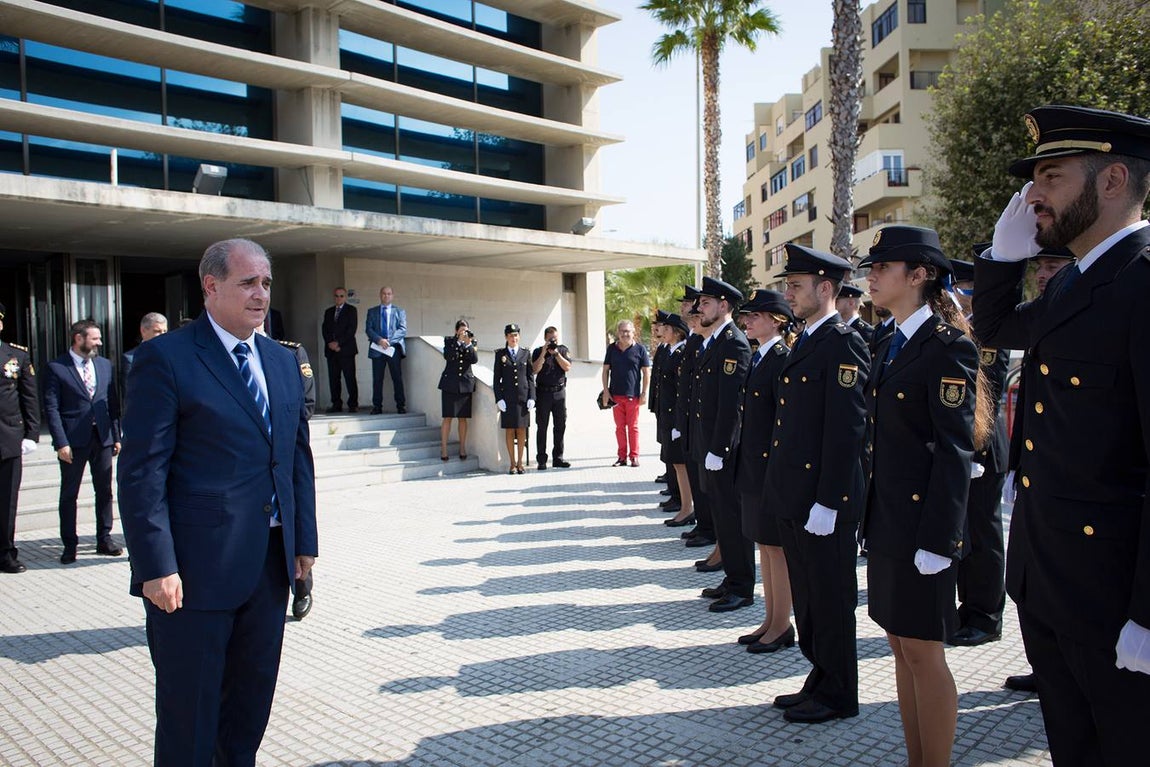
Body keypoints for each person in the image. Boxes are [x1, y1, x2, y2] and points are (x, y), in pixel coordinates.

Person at [973, 105, 1150, 766]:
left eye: (1051, 175)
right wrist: (1002, 258)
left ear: (1111, 182)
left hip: (1114, 598)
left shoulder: (1140, 283)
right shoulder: (1078, 278)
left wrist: (1148, 614)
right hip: (1050, 583)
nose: (1033, 195)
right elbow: (996, 331)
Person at [118, 237, 317, 766]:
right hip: (192, 578)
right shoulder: (166, 359)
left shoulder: (281, 360)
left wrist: (303, 544)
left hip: (269, 569)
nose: (260, 294)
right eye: (247, 283)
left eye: (266, 283)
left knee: (247, 718)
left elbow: (296, 459)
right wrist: (155, 567)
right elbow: (141, 473)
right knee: (190, 724)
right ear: (210, 287)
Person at [859, 226, 988, 767]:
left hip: (923, 531)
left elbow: (955, 451)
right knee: (899, 644)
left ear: (919, 275)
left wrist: (941, 540)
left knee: (924, 653)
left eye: (884, 266)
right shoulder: (889, 342)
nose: (872, 274)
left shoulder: (947, 346)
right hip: (888, 523)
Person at [765, 243, 870, 724]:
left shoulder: (843, 342)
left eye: (796, 286)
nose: (789, 293)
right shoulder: (806, 338)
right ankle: (819, 678)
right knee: (809, 598)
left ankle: (839, 694)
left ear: (825, 288)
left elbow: (847, 430)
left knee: (829, 600)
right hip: (797, 498)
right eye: (788, 286)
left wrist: (830, 501)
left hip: (822, 502)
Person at [1001, 245, 1072, 695]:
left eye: (1054, 265)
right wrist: (1015, 465)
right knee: (1030, 587)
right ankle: (1045, 665)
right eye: (1040, 265)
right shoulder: (1043, 318)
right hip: (1035, 475)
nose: (1043, 273)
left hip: (1077, 490)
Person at [947, 256, 1011, 649]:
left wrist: (974, 450)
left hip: (985, 447)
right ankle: (966, 607)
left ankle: (987, 616)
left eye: (967, 288)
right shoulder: (963, 328)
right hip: (965, 447)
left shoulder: (990, 330)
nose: (960, 295)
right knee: (966, 535)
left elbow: (990, 391)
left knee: (984, 536)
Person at [735, 289, 796, 653]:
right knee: (765, 545)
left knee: (777, 550)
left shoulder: (781, 359)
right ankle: (770, 618)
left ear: (775, 320)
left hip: (770, 469)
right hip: (754, 467)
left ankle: (782, 623)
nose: (748, 321)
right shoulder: (761, 357)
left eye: (755, 316)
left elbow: (781, 422)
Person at [688, 277, 753, 613]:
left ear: (725, 306)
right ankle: (732, 578)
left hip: (723, 451)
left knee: (732, 518)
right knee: (723, 519)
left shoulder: (733, 344)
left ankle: (742, 587)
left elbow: (731, 405)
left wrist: (719, 449)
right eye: (701, 304)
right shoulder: (713, 342)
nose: (700, 308)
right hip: (709, 446)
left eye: (707, 303)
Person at [44, 319, 121, 564]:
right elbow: (52, 408)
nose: (99, 342)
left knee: (105, 492)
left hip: (103, 439)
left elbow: (113, 403)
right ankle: (69, 545)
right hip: (73, 442)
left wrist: (116, 436)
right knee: (69, 494)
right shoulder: (57, 367)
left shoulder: (105, 365)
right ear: (79, 339)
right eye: (95, 338)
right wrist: (60, 442)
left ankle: (104, 539)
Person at [672, 288, 719, 561]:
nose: (695, 311)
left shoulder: (728, 344)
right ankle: (705, 527)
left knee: (719, 500)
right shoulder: (702, 342)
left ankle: (712, 535)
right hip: (695, 424)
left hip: (711, 434)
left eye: (702, 304)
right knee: (702, 485)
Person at [0, 302, 39, 574]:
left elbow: (29, 396)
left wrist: (31, 434)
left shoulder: (16, 355)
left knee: (6, 501)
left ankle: (5, 554)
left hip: (7, 438)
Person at [655, 313, 695, 528]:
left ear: (677, 332)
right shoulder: (670, 351)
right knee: (676, 465)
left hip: (675, 417)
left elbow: (681, 388)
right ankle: (685, 507)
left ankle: (688, 507)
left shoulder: (681, 352)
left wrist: (679, 424)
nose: (663, 331)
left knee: (681, 464)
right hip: (668, 415)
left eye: (667, 328)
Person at [601, 320, 650, 467]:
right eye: (622, 331)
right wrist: (606, 391)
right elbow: (605, 371)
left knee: (633, 427)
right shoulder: (611, 349)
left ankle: (634, 457)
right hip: (615, 396)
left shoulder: (640, 350)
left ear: (633, 332)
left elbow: (646, 373)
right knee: (619, 428)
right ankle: (621, 457)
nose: (625, 334)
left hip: (633, 396)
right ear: (618, 332)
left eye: (628, 331)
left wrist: (644, 393)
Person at [493, 323, 534, 474]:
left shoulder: (525, 353)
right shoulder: (500, 354)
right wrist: (499, 398)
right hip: (508, 399)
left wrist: (532, 397)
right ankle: (512, 463)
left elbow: (530, 378)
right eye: (511, 335)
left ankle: (520, 463)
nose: (513, 338)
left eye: (516, 335)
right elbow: (496, 379)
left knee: (522, 430)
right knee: (510, 430)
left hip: (523, 398)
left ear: (519, 336)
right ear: (506, 337)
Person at [531, 326, 571, 470]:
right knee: (542, 427)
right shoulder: (537, 351)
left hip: (559, 392)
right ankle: (541, 459)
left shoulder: (563, 350)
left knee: (560, 426)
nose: (553, 341)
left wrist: (556, 354)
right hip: (543, 394)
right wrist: (544, 352)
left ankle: (558, 458)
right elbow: (534, 370)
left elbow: (567, 367)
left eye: (555, 338)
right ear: (545, 339)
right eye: (550, 339)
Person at [438, 320, 479, 461]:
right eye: (461, 330)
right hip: (450, 384)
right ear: (456, 331)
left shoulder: (472, 342)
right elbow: (448, 356)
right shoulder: (449, 341)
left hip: (465, 384)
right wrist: (458, 342)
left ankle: (462, 447)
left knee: (463, 418)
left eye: (466, 330)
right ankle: (444, 447)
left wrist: (467, 343)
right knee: (448, 417)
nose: (464, 332)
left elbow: (474, 359)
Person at [365, 286, 406, 415]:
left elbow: (402, 329)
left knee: (397, 378)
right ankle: (377, 406)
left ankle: (400, 405)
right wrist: (379, 340)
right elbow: (369, 329)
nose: (386, 296)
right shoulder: (372, 311)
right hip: (377, 349)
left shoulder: (399, 311)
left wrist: (389, 341)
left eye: (389, 294)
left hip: (393, 349)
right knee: (377, 379)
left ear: (392, 296)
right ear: (380, 295)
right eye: (384, 294)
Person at [321, 287, 359, 413]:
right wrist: (330, 343)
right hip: (331, 351)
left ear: (345, 297)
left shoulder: (351, 310)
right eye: (337, 296)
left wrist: (338, 343)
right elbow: (325, 329)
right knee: (334, 378)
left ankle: (353, 404)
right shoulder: (328, 312)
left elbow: (351, 330)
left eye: (341, 296)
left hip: (346, 350)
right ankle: (336, 404)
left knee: (349, 377)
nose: (339, 298)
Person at [122, 312, 168, 382]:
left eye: (165, 331)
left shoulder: (172, 355)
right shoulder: (130, 358)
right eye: (157, 331)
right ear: (143, 331)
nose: (162, 335)